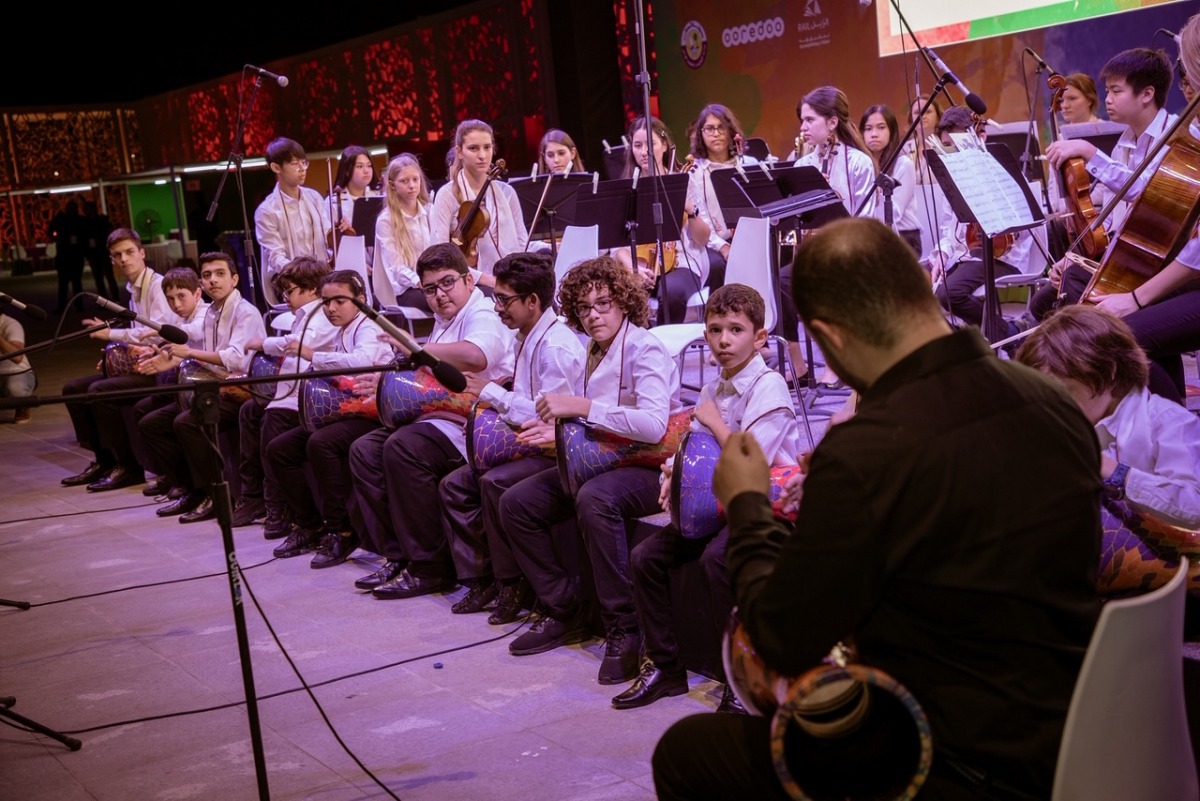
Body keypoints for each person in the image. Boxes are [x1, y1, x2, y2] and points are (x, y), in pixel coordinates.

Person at [651, 217, 1104, 800]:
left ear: (829, 336)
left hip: (946, 756)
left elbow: (780, 639)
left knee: (689, 752)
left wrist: (747, 504)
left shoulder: (870, 449)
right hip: (1071, 721)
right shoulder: (1052, 401)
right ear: (920, 284)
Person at [613, 283, 802, 712]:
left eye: (736, 330)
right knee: (646, 557)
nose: (723, 340)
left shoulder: (768, 386)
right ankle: (666, 666)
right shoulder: (714, 387)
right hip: (719, 501)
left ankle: (743, 679)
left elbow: (750, 462)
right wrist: (670, 476)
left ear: (759, 338)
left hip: (765, 504)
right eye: (715, 330)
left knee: (720, 559)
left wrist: (713, 421)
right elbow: (694, 456)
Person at [499, 255, 681, 685]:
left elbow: (654, 425)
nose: (594, 314)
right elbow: (582, 417)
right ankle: (565, 609)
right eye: (584, 307)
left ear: (624, 302)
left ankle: (626, 627)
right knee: (516, 502)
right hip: (601, 457)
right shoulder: (589, 348)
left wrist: (582, 409)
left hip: (647, 464)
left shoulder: (645, 346)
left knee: (595, 498)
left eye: (603, 303)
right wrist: (559, 430)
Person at [349, 243, 514, 596]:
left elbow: (476, 355)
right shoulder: (443, 320)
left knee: (403, 448)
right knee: (365, 449)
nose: (439, 295)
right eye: (429, 289)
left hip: (478, 424)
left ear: (469, 281)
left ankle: (430, 568)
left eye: (447, 283)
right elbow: (428, 373)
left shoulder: (482, 314)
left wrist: (416, 348)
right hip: (439, 418)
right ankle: (401, 555)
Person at [437, 251, 586, 616]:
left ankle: (514, 585)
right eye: (495, 298)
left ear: (532, 301)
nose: (497, 307)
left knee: (494, 483)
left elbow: (551, 418)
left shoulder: (556, 346)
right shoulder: (525, 334)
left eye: (504, 299)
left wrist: (487, 391)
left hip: (557, 448)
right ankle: (483, 580)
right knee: (455, 484)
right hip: (530, 438)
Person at [1014, 305, 1200, 594]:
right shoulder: (1068, 422)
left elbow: (1195, 507)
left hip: (1165, 580)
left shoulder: (1168, 421)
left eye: (1064, 392)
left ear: (1110, 372)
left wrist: (1113, 472)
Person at [1065, 14, 1200, 405]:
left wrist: (1138, 297)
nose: (1186, 85)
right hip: (1179, 265)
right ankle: (1167, 426)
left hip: (1187, 268)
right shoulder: (1171, 136)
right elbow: (1156, 196)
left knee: (1124, 334)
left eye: (1189, 75)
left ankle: (1176, 436)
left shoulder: (1179, 131)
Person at [1036, 47, 1176, 320]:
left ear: (1147, 94)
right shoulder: (1125, 142)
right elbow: (1112, 218)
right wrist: (1073, 257)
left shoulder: (1172, 137)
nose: (1108, 100)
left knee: (1071, 296)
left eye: (1116, 91)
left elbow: (1147, 192)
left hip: (1159, 261)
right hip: (1128, 255)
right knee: (1044, 301)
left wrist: (1090, 153)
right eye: (1107, 91)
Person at [264, 269, 393, 564]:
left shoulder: (369, 325)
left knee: (321, 443)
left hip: (375, 411)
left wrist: (313, 355)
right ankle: (310, 525)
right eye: (326, 302)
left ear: (360, 300)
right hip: (350, 408)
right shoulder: (343, 329)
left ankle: (342, 531)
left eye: (339, 301)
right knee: (280, 449)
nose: (331, 308)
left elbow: (362, 361)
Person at [138, 251, 267, 522]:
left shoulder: (246, 312)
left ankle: (217, 495)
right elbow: (196, 345)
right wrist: (170, 359)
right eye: (207, 275)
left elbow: (235, 359)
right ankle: (190, 488)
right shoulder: (212, 312)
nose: (212, 281)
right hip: (217, 387)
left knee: (186, 422)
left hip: (244, 392)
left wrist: (188, 354)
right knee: (152, 423)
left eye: (220, 274)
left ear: (234, 279)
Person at [229, 257, 336, 533]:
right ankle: (254, 498)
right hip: (287, 391)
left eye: (289, 290)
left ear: (311, 289)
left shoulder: (322, 313)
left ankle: (280, 508)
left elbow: (301, 345)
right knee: (249, 412)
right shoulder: (303, 315)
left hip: (308, 396)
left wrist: (262, 342)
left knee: (272, 426)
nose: (285, 297)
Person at [60, 227, 173, 490]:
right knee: (73, 389)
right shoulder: (133, 289)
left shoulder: (158, 286)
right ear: (111, 260)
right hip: (141, 363)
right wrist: (114, 353)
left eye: (129, 252)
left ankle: (129, 467)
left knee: (100, 391)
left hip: (160, 368)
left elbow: (156, 332)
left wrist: (110, 335)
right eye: (117, 255)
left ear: (142, 253)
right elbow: (137, 336)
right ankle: (104, 459)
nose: (124, 259)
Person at [779, 86, 877, 384]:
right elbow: (790, 221)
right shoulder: (802, 165)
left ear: (832, 122)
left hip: (850, 252)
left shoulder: (858, 163)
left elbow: (866, 220)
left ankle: (836, 362)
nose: (803, 127)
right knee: (781, 279)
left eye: (810, 120)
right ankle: (798, 363)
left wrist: (830, 200)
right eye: (802, 120)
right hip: (814, 251)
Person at [926, 106, 1036, 334]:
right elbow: (950, 229)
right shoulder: (953, 177)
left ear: (981, 137)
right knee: (918, 292)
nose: (953, 153)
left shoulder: (1005, 173)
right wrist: (942, 255)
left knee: (949, 294)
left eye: (958, 145)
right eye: (948, 147)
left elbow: (1024, 226)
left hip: (1002, 257)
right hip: (966, 256)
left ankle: (1008, 334)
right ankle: (982, 338)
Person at [613, 115, 709, 326]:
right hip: (641, 265)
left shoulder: (685, 181)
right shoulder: (628, 188)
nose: (643, 151)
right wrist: (631, 268)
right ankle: (640, 343)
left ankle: (665, 349)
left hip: (683, 266)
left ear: (664, 145)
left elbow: (702, 239)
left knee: (671, 292)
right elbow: (618, 247)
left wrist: (690, 210)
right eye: (637, 145)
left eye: (650, 144)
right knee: (619, 291)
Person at [128, 266, 210, 498]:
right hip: (188, 383)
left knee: (171, 420)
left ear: (197, 294)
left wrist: (161, 332)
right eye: (170, 299)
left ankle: (192, 487)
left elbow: (190, 333)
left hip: (206, 386)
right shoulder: (181, 315)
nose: (176, 304)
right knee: (144, 414)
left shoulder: (205, 313)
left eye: (181, 296)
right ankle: (173, 477)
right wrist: (159, 353)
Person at [429, 119, 527, 286]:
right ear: (459, 152)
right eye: (473, 148)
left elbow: (521, 241)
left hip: (509, 275)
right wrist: (487, 280)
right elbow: (441, 253)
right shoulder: (447, 195)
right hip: (468, 281)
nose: (482, 155)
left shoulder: (507, 192)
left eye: (487, 148)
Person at [685, 103, 754, 290]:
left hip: (748, 238)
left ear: (730, 130)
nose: (716, 133)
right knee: (717, 266)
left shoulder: (748, 164)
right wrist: (723, 247)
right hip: (713, 242)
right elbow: (702, 217)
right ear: (701, 134)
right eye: (709, 128)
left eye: (721, 127)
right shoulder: (695, 173)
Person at [253, 137, 332, 280]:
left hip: (322, 273)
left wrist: (338, 234)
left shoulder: (314, 197)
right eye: (295, 164)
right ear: (276, 168)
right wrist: (302, 274)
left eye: (304, 162)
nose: (302, 169)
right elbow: (275, 256)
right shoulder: (266, 211)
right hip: (291, 278)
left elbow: (327, 237)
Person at [859, 103, 922, 256]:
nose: (874, 134)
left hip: (903, 238)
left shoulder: (903, 164)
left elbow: (892, 214)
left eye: (881, 127)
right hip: (867, 235)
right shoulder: (860, 164)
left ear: (892, 131)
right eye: (868, 129)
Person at [374, 153, 433, 312]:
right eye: (404, 181)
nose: (412, 185)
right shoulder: (386, 220)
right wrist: (420, 281)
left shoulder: (429, 211)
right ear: (392, 185)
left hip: (432, 282)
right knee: (444, 301)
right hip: (407, 289)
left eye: (415, 179)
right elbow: (397, 268)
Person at [327, 144, 381, 268]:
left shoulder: (379, 197)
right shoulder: (334, 202)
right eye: (360, 166)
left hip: (379, 263)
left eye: (369, 166)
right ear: (347, 170)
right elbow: (331, 247)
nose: (366, 171)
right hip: (351, 265)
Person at [49, 199, 86, 314]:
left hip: (75, 257)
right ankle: (63, 306)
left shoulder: (79, 221)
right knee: (63, 283)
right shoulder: (61, 220)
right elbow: (51, 232)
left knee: (76, 283)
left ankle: (78, 305)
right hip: (64, 257)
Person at [0, 312, 35, 424]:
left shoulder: (11, 324)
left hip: (15, 372)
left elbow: (17, 357)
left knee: (15, 388)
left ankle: (23, 404)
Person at [82, 200, 118, 299]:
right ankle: (103, 299)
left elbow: (109, 233)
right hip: (93, 254)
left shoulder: (102, 221)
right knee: (98, 278)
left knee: (109, 276)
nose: (86, 211)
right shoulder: (85, 223)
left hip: (103, 252)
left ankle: (115, 297)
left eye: (87, 209)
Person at [905, 94, 943, 184]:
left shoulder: (945, 148)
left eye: (928, 111)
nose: (922, 116)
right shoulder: (904, 149)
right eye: (917, 112)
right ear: (911, 119)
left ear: (938, 117)